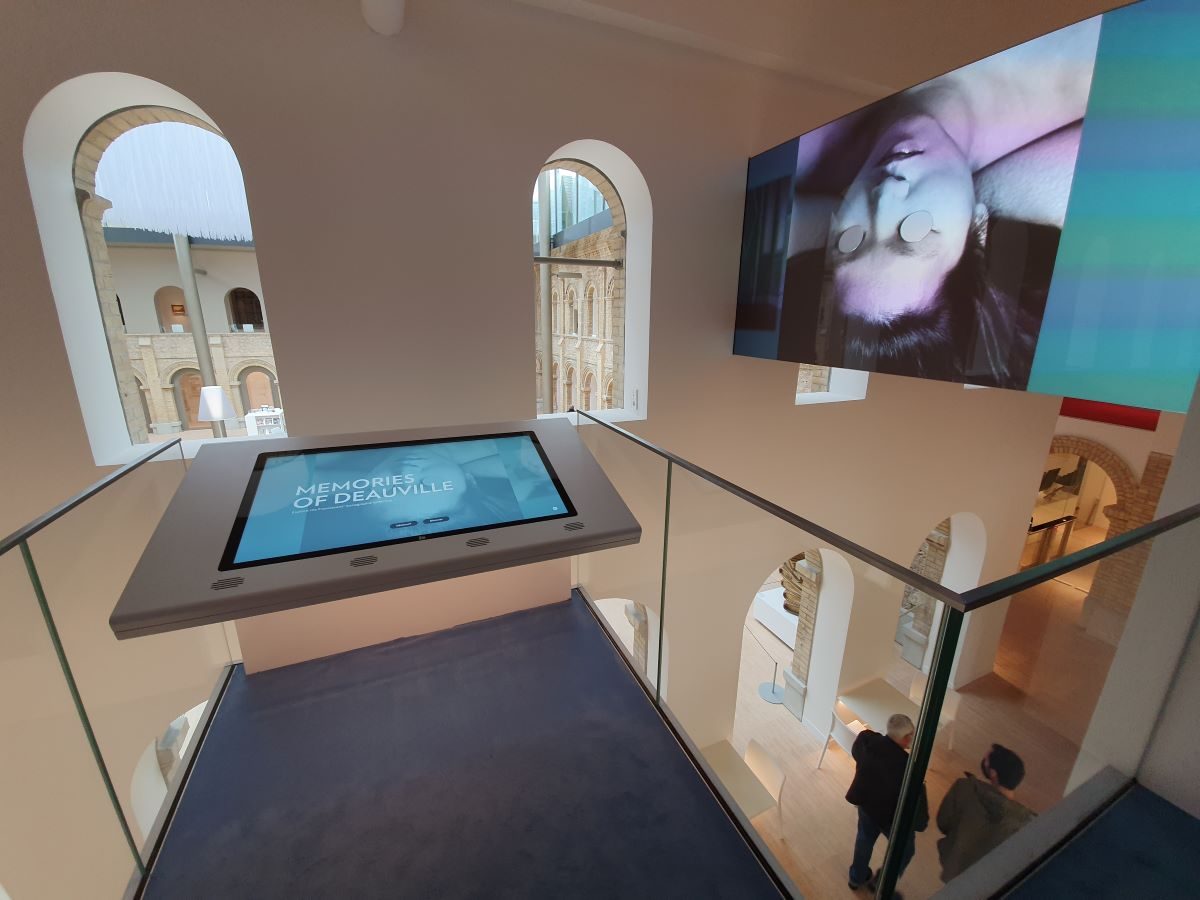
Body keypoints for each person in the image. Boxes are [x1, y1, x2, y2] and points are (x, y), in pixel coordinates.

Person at [845, 713, 928, 894]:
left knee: (864, 839)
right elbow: (916, 807)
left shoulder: (867, 740)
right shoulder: (908, 767)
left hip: (866, 805)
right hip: (891, 818)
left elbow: (857, 752)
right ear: (906, 738)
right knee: (905, 851)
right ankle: (881, 882)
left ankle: (856, 878)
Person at [936, 744, 1035, 882]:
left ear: (993, 773)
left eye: (986, 759)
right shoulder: (1026, 823)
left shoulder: (965, 788)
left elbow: (943, 822)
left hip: (954, 868)